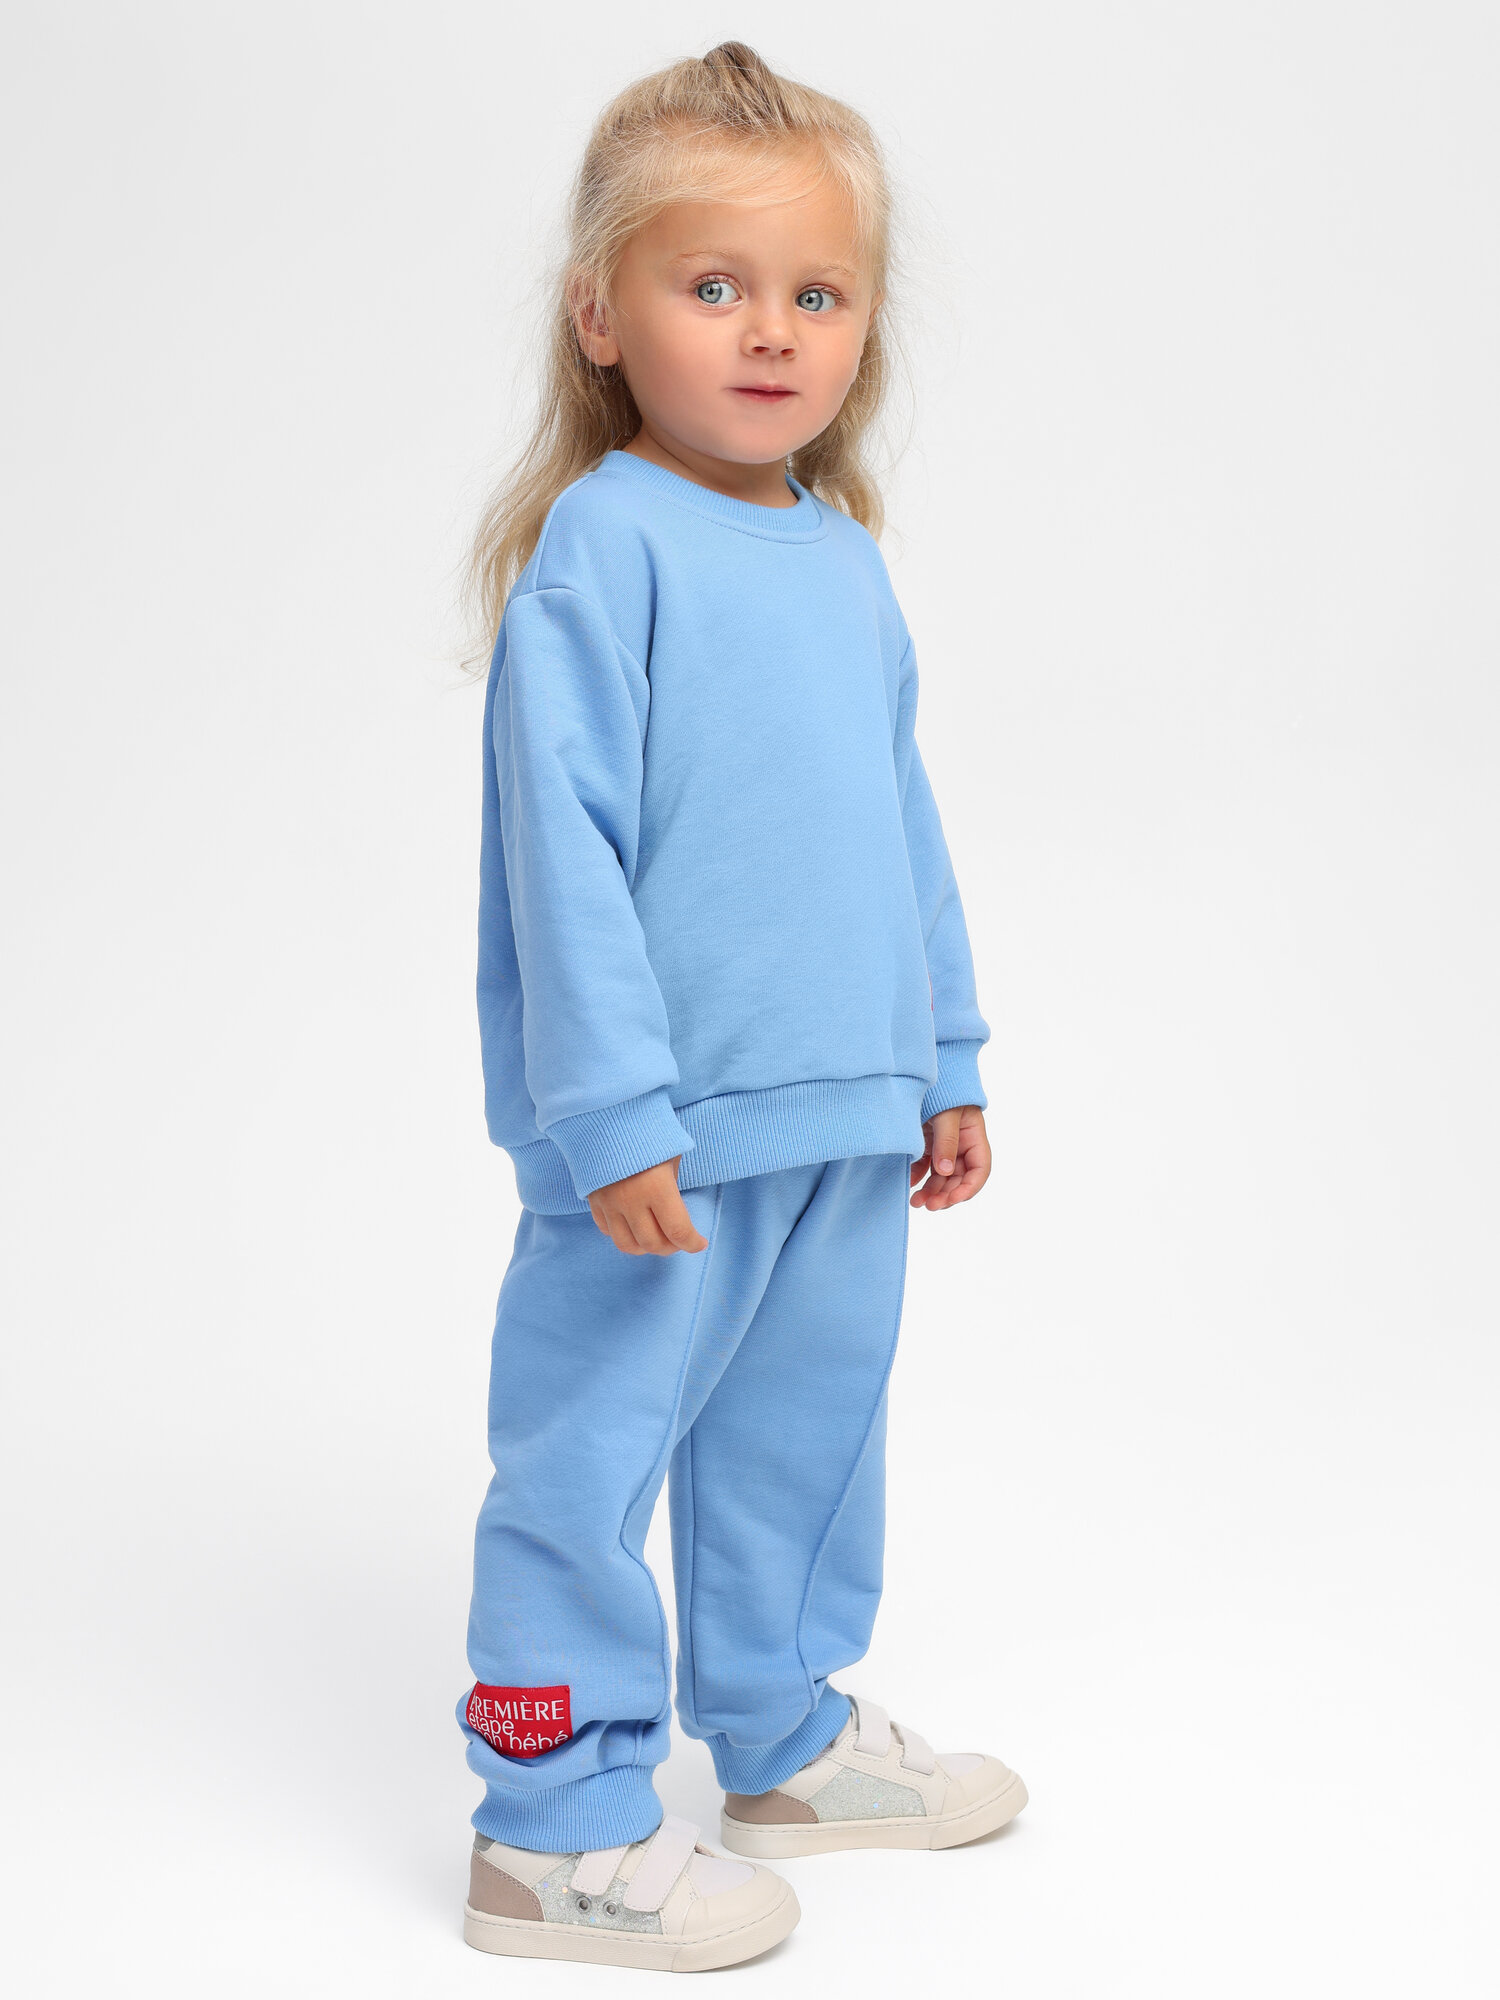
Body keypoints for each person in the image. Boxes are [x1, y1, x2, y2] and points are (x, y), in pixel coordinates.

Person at [455, 41, 1026, 1973]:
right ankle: (550, 1827)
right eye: (715, 285)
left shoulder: (844, 564)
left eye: (818, 292)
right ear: (599, 314)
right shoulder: (602, 549)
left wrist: (943, 1057)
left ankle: (780, 1737)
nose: (772, 329)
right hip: (667, 1136)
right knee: (589, 1459)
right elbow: (565, 861)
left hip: (847, 1108)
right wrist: (615, 1116)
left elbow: (896, 824)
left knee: (804, 1440)